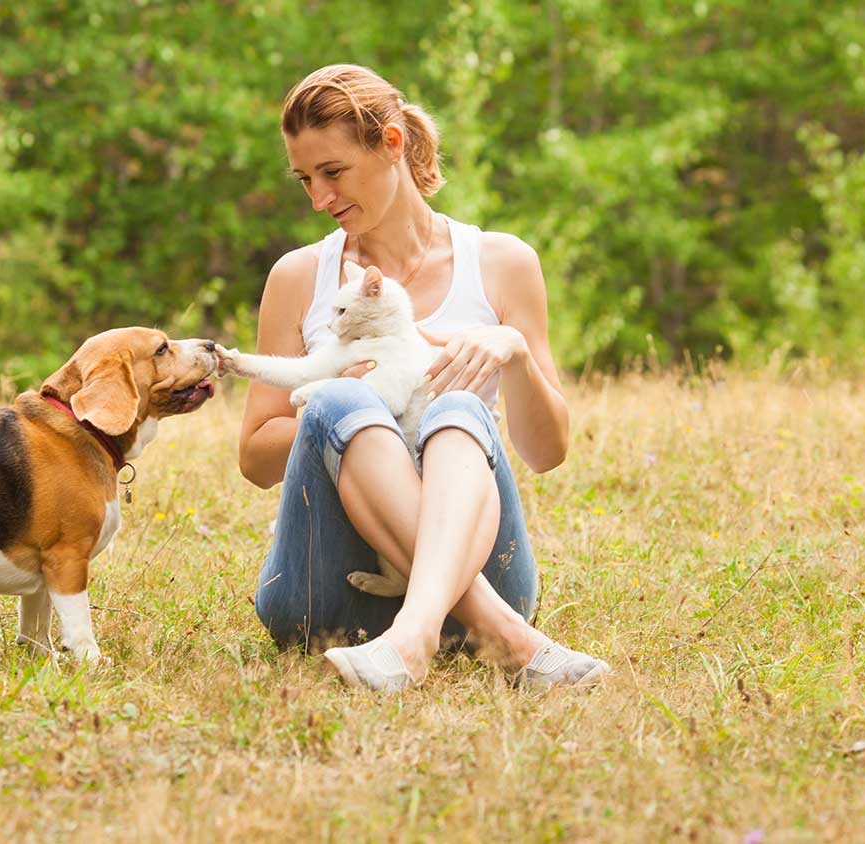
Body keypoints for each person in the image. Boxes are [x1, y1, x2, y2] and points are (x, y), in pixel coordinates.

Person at [236, 64, 609, 692]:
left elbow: (547, 453)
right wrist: (344, 408)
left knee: (458, 408)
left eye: (333, 172)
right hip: (324, 593)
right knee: (341, 398)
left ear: (391, 143)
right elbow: (255, 458)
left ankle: (414, 636)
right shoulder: (299, 278)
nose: (318, 199)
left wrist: (513, 352)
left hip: (486, 565)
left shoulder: (501, 262)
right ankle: (511, 641)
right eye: (305, 179)